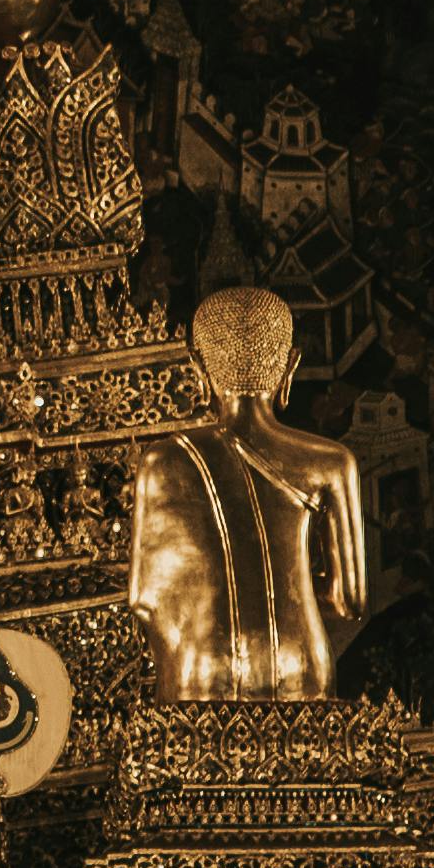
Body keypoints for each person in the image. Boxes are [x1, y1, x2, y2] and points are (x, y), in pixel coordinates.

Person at [127, 284, 371, 699]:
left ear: (198, 368)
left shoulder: (161, 461)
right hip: (301, 666)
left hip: (200, 668)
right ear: (290, 368)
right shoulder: (332, 461)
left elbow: (144, 599)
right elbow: (351, 602)